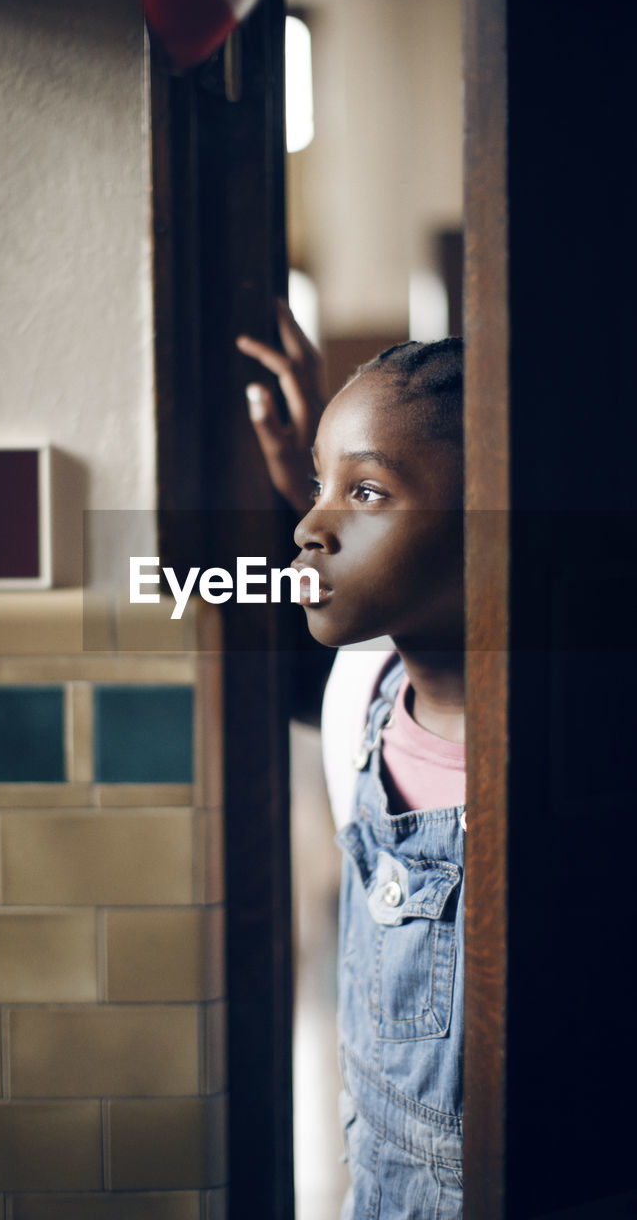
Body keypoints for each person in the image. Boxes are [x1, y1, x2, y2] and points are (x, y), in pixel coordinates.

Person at [238, 303, 466, 1220]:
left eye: (365, 492)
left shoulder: (582, 771)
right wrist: (332, 485)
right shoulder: (358, 692)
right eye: (313, 491)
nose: (309, 526)